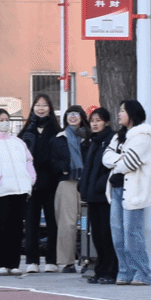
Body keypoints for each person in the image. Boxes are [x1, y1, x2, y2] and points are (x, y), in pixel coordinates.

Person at [101, 100, 151, 286]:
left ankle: (143, 273)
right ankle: (125, 272)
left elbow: (130, 163)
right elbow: (105, 158)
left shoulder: (143, 136)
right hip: (116, 190)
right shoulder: (118, 137)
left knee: (132, 233)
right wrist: (121, 159)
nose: (119, 114)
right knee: (118, 234)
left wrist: (118, 161)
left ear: (132, 114)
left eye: (122, 110)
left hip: (134, 192)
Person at [0, 108, 36, 276]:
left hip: (20, 189)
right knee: (1, 226)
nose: (5, 123)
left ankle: (13, 263)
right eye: (1, 120)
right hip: (1, 190)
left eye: (7, 119)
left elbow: (28, 161)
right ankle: (0, 263)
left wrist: (30, 179)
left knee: (16, 228)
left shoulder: (18, 142)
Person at [20, 94, 62, 273]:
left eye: (44, 105)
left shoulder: (57, 130)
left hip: (52, 183)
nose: (41, 108)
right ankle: (32, 261)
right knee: (31, 223)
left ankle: (52, 260)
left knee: (53, 223)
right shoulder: (26, 131)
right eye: (37, 105)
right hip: (30, 184)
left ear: (50, 108)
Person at [79, 107, 118, 284]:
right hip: (92, 195)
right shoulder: (93, 141)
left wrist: (101, 184)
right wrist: (83, 186)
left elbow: (110, 167)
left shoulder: (112, 140)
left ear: (106, 122)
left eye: (98, 120)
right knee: (96, 235)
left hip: (104, 195)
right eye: (92, 121)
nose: (94, 124)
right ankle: (100, 269)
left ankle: (111, 270)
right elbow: (89, 168)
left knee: (107, 234)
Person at [53, 105, 89, 273]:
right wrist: (64, 169)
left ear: (82, 117)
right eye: (69, 114)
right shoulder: (58, 138)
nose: (72, 117)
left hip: (87, 183)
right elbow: (52, 162)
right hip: (67, 182)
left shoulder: (89, 138)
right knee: (67, 224)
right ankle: (67, 262)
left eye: (76, 114)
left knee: (89, 223)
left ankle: (90, 259)